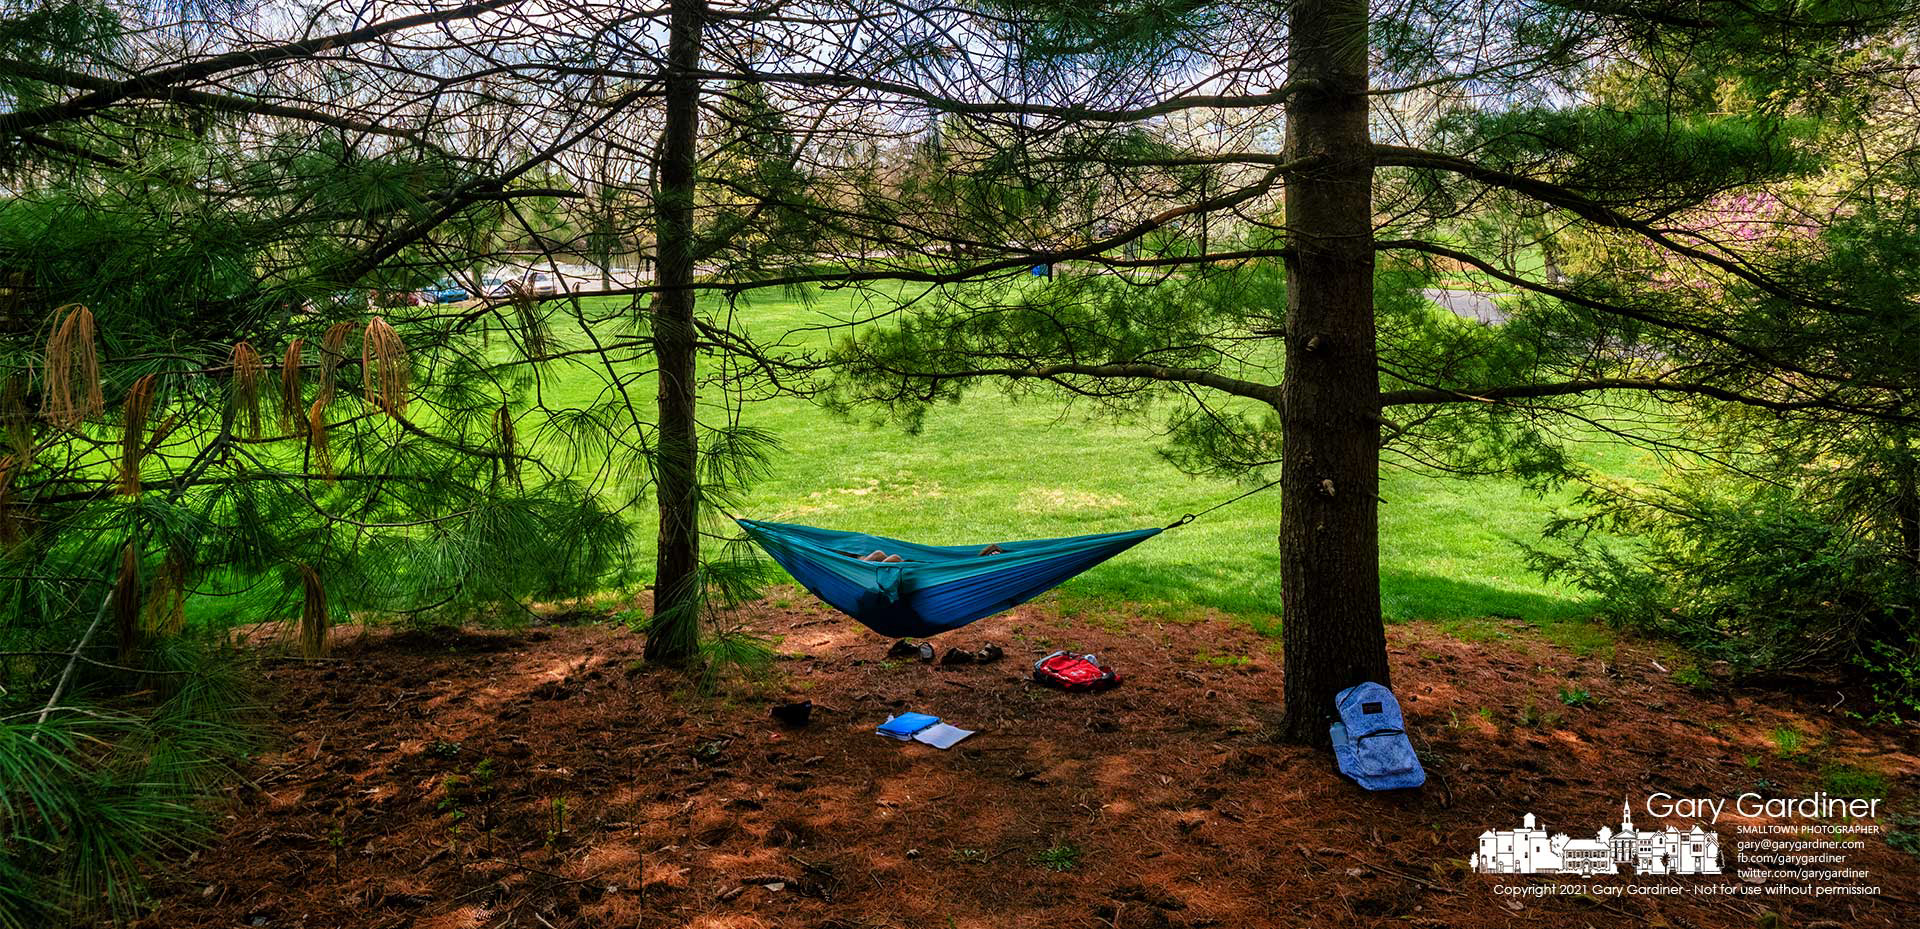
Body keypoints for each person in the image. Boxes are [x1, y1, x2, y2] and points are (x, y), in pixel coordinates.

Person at [855, 543, 1006, 562]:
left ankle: (855, 568)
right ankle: (852, 563)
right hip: (923, 569)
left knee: (894, 558)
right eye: (993, 553)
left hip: (922, 579)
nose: (993, 556)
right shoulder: (970, 563)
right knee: (879, 554)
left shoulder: (974, 575)